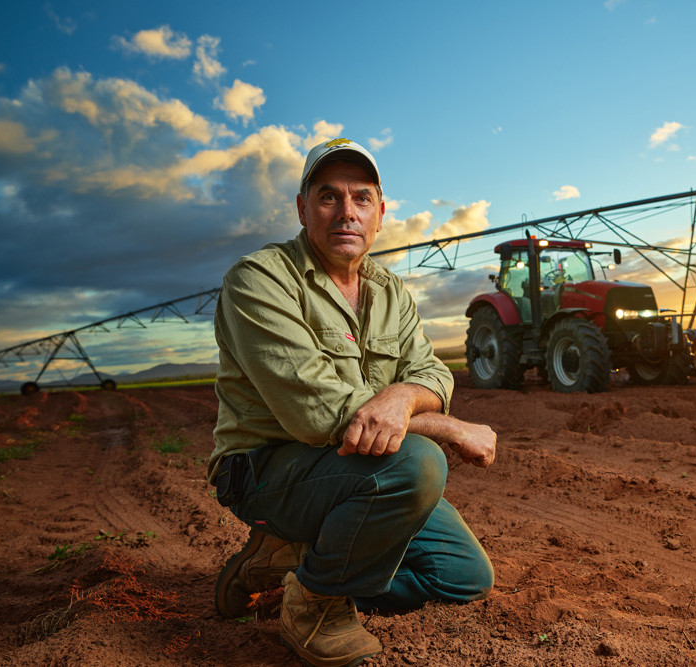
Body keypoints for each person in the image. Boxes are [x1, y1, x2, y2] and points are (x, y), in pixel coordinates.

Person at [207, 137, 496, 667]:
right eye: (328, 197)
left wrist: (404, 396)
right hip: (267, 467)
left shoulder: (391, 292)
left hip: (352, 467)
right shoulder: (259, 280)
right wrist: (450, 429)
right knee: (418, 463)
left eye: (362, 198)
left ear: (380, 213)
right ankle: (315, 604)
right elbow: (317, 413)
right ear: (302, 208)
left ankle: (289, 561)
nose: (347, 212)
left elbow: (431, 372)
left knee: (463, 577)